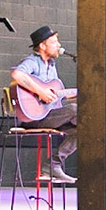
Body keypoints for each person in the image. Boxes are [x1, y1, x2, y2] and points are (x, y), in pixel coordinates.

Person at [10, 24, 77, 183]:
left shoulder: (52, 66)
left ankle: (53, 165)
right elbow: (17, 74)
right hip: (33, 118)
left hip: (50, 115)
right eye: (54, 42)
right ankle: (52, 166)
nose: (59, 45)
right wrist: (40, 91)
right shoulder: (32, 61)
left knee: (86, 127)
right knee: (76, 110)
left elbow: (56, 96)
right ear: (42, 46)